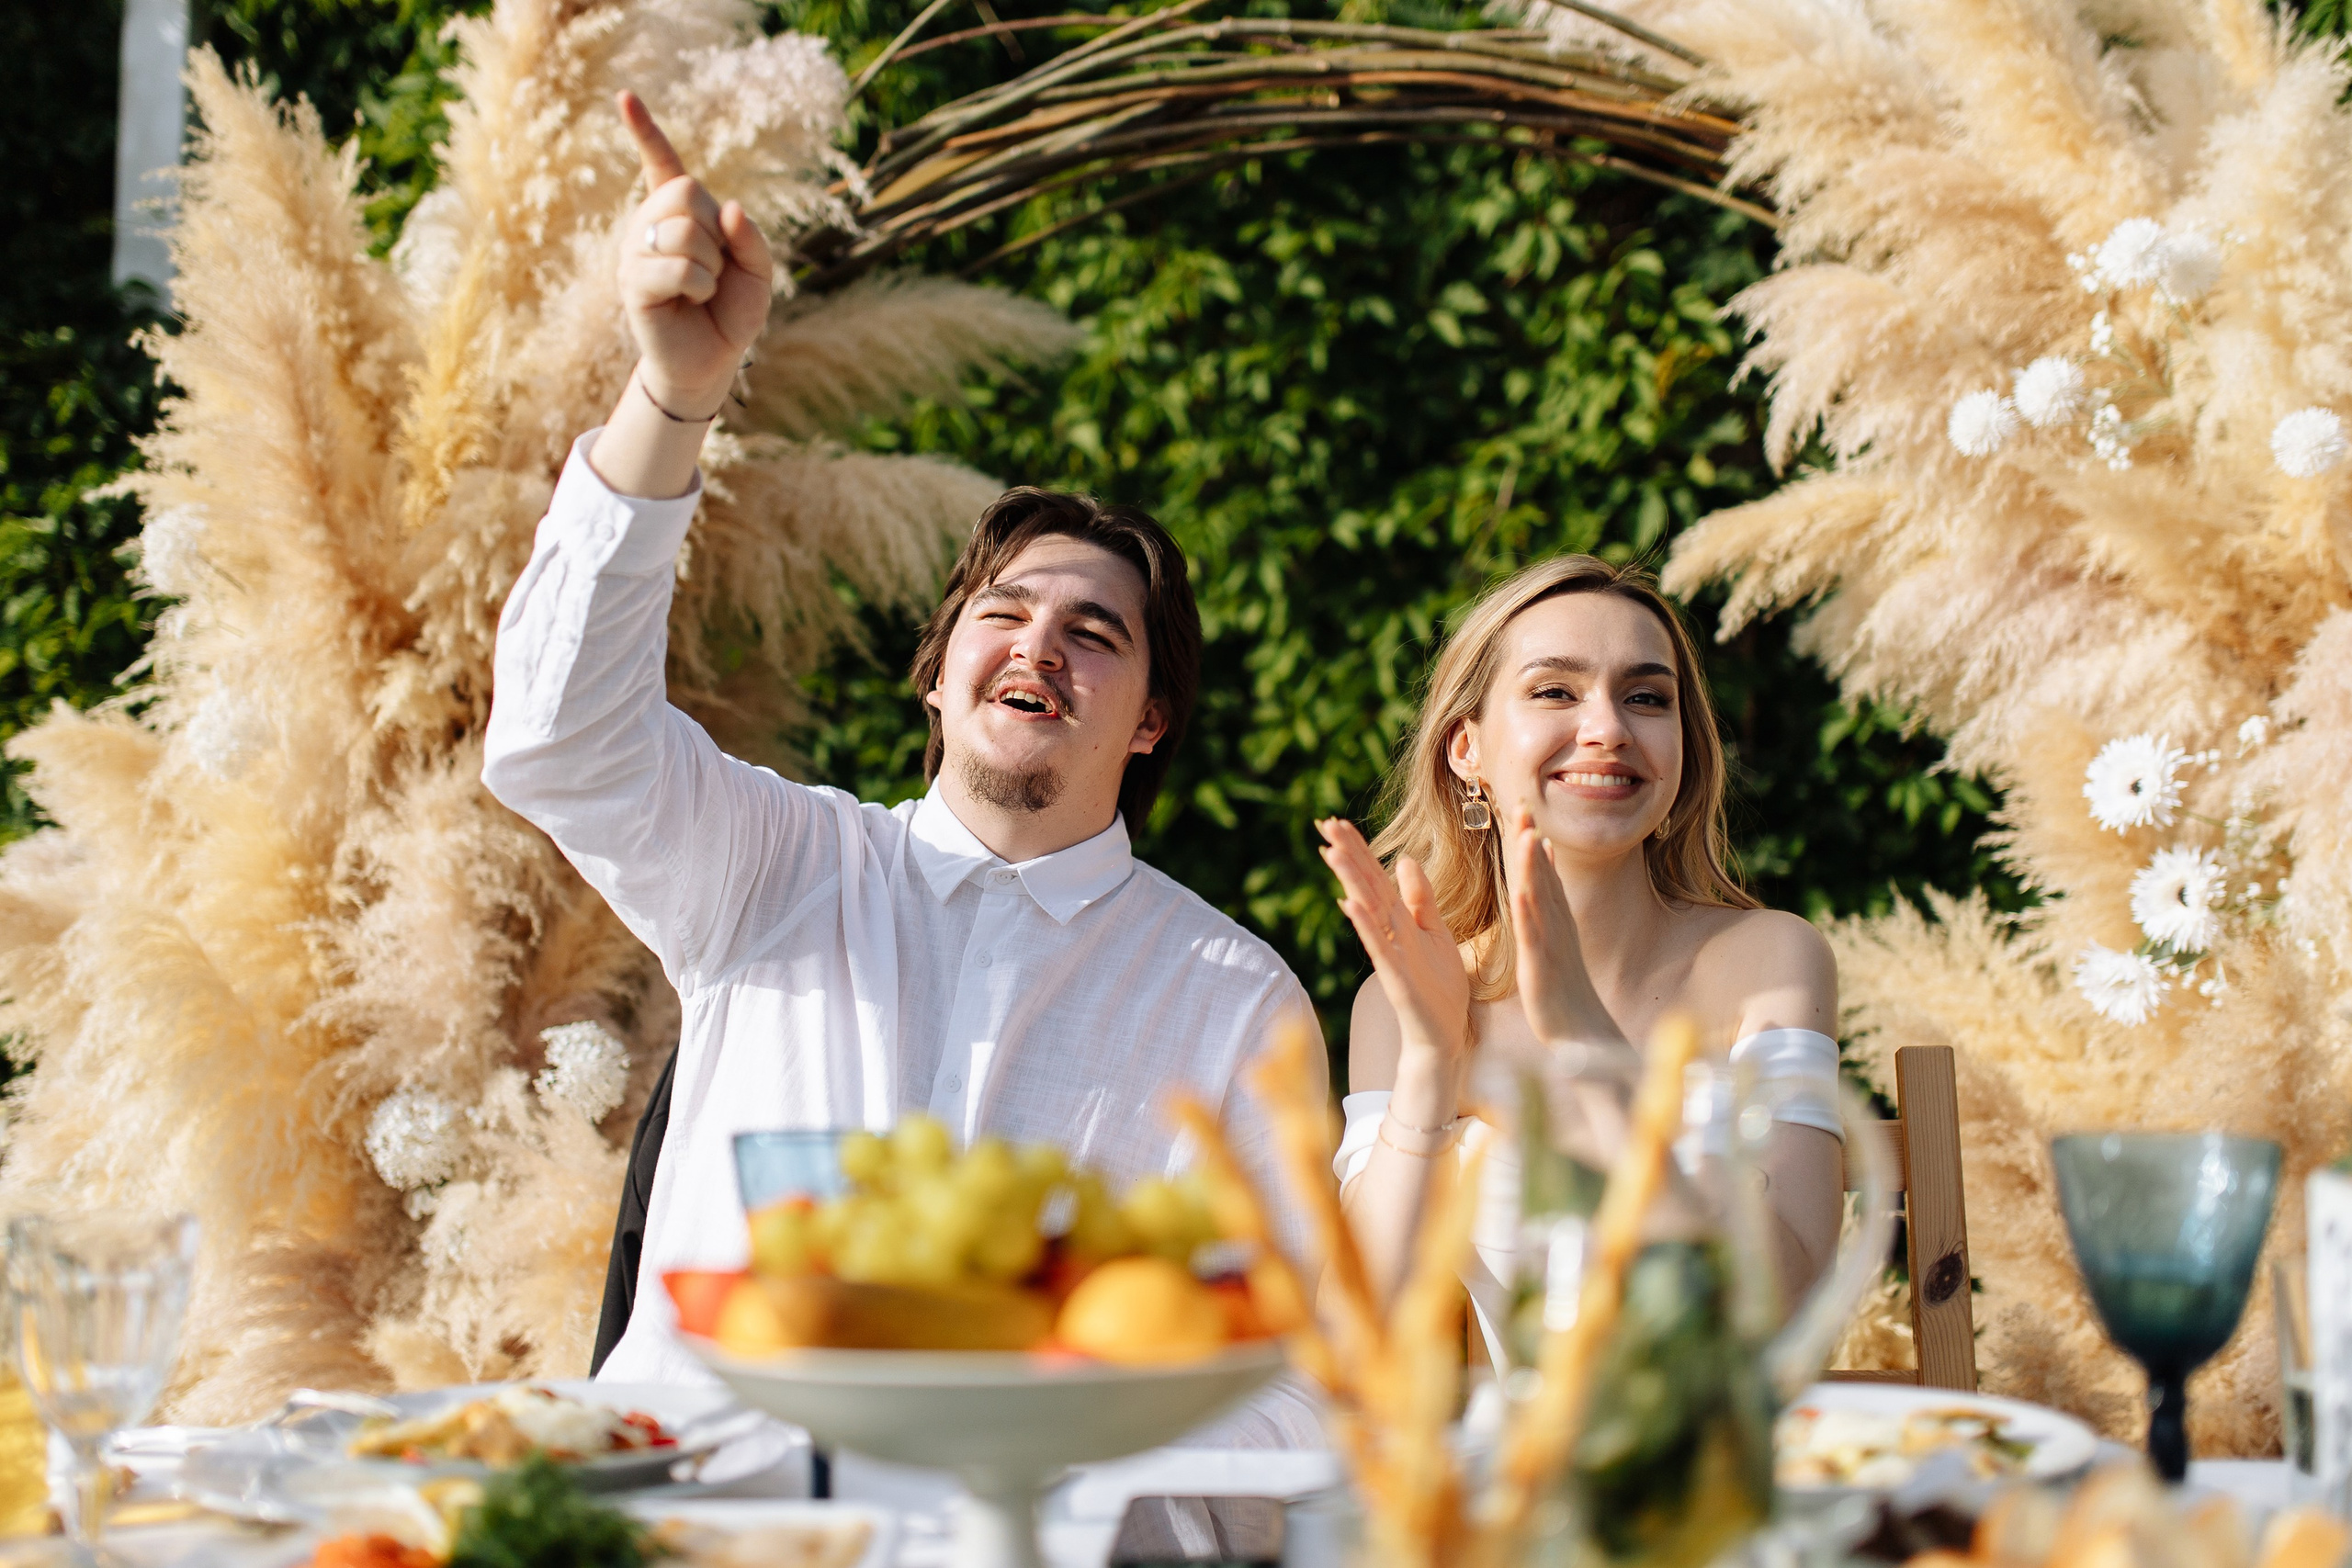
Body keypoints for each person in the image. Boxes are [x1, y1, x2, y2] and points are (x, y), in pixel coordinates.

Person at [481, 92, 1325, 1419]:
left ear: (1151, 719)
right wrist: (674, 396)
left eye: (1094, 632)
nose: (1039, 643)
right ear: (938, 675)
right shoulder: (776, 863)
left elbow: (1284, 1386)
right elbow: (557, 734)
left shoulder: (1232, 998)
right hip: (717, 1498)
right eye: (1005, 612)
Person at [1312, 555, 1845, 1359]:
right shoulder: (1402, 1001)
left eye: (1646, 697)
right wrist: (1431, 1061)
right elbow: (1352, 1341)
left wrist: (1590, 1046)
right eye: (1555, 691)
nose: (1609, 727)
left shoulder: (1769, 962)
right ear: (1466, 748)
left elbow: (1790, 1307)